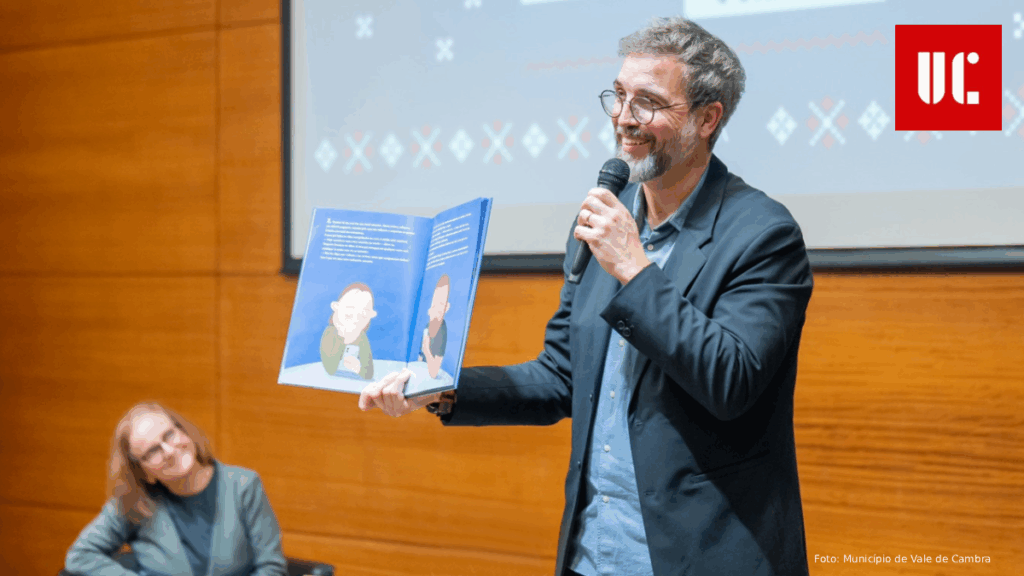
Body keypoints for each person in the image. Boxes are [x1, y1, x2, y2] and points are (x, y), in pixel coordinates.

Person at [359, 16, 813, 576]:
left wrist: (634, 269)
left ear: (707, 118)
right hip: (592, 555)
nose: (624, 117)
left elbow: (731, 381)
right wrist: (443, 388)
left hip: (701, 558)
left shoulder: (763, 234)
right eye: (619, 96)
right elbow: (559, 377)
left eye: (648, 102)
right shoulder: (608, 222)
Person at [65, 402, 287, 576]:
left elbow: (271, 568)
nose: (169, 451)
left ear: (184, 431)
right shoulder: (135, 502)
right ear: (143, 472)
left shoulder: (243, 485)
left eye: (170, 435)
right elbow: (80, 555)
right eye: (153, 451)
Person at [320, 282, 377, 380]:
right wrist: (342, 337)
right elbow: (330, 369)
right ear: (336, 307)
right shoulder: (330, 333)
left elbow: (368, 374)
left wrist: (358, 369)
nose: (355, 318)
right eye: (349, 311)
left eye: (363, 314)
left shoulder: (361, 337)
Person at [419, 274, 451, 379]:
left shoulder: (442, 331)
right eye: (434, 303)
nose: (436, 308)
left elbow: (433, 373)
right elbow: (420, 358)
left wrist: (426, 350)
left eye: (440, 304)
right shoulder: (427, 326)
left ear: (446, 307)